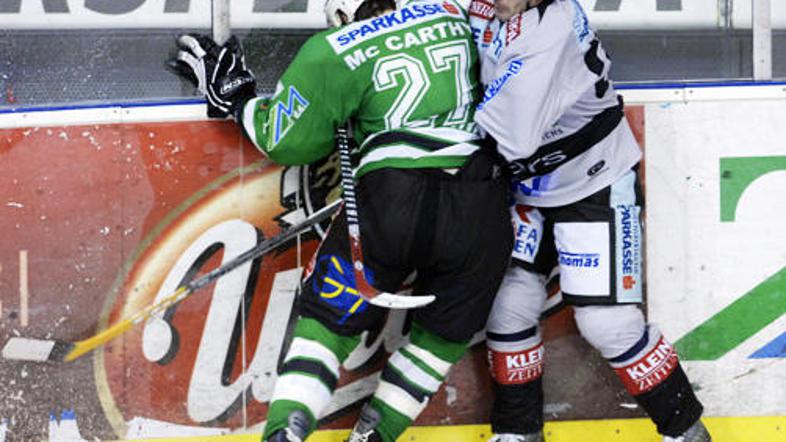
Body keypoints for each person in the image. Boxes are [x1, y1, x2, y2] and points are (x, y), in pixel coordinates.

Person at [167, 0, 513, 441]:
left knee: (325, 328)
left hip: (392, 202)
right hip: (482, 204)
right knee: (441, 338)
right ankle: (375, 434)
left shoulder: (333, 49)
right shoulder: (457, 14)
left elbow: (287, 141)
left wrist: (239, 99)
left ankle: (284, 432)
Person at [467, 0, 712, 441]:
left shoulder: (547, 31)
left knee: (609, 325)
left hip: (593, 181)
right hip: (527, 190)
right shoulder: (492, 10)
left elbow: (512, 137)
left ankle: (686, 431)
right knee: (506, 310)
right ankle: (518, 433)